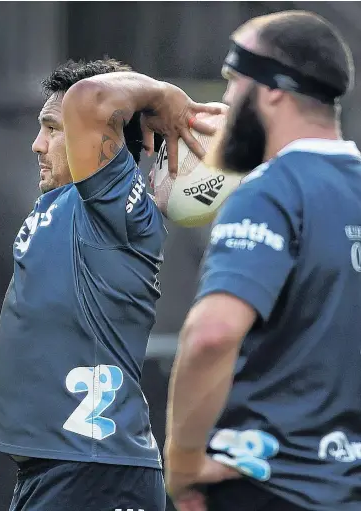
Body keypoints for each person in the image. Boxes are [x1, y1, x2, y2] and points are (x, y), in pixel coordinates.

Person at [0, 57, 221, 511]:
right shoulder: (69, 204)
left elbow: (91, 100)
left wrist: (161, 95)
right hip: (64, 468)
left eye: (53, 128)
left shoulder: (112, 203)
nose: (38, 144)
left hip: (93, 471)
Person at [164, 10, 361, 511]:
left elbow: (212, 336)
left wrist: (183, 462)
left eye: (234, 81)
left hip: (266, 487)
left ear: (273, 88)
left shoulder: (271, 190)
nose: (228, 99)